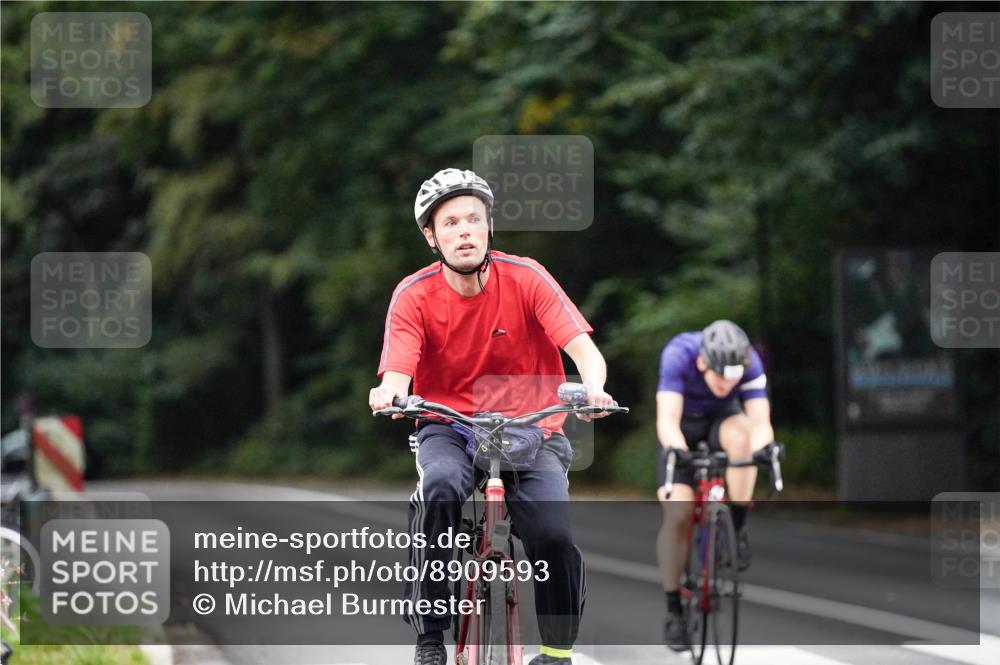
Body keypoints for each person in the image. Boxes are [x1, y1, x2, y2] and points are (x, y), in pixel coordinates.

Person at [369, 168, 617, 665]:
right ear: (431, 236)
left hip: (532, 426)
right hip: (448, 424)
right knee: (440, 489)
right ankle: (430, 636)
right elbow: (397, 372)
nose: (464, 231)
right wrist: (390, 393)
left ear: (488, 227)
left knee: (553, 535)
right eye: (451, 223)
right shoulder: (413, 295)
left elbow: (583, 350)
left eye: (474, 219)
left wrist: (594, 388)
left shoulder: (527, 277)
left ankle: (556, 651)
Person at [654, 320, 774, 651]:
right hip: (682, 428)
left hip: (724, 421)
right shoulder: (679, 354)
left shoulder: (749, 360)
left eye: (733, 378)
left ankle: (737, 523)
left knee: (744, 438)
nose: (726, 383)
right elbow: (667, 418)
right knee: (677, 515)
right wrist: (677, 450)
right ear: (703, 362)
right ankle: (674, 609)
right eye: (720, 377)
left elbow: (760, 422)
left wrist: (764, 449)